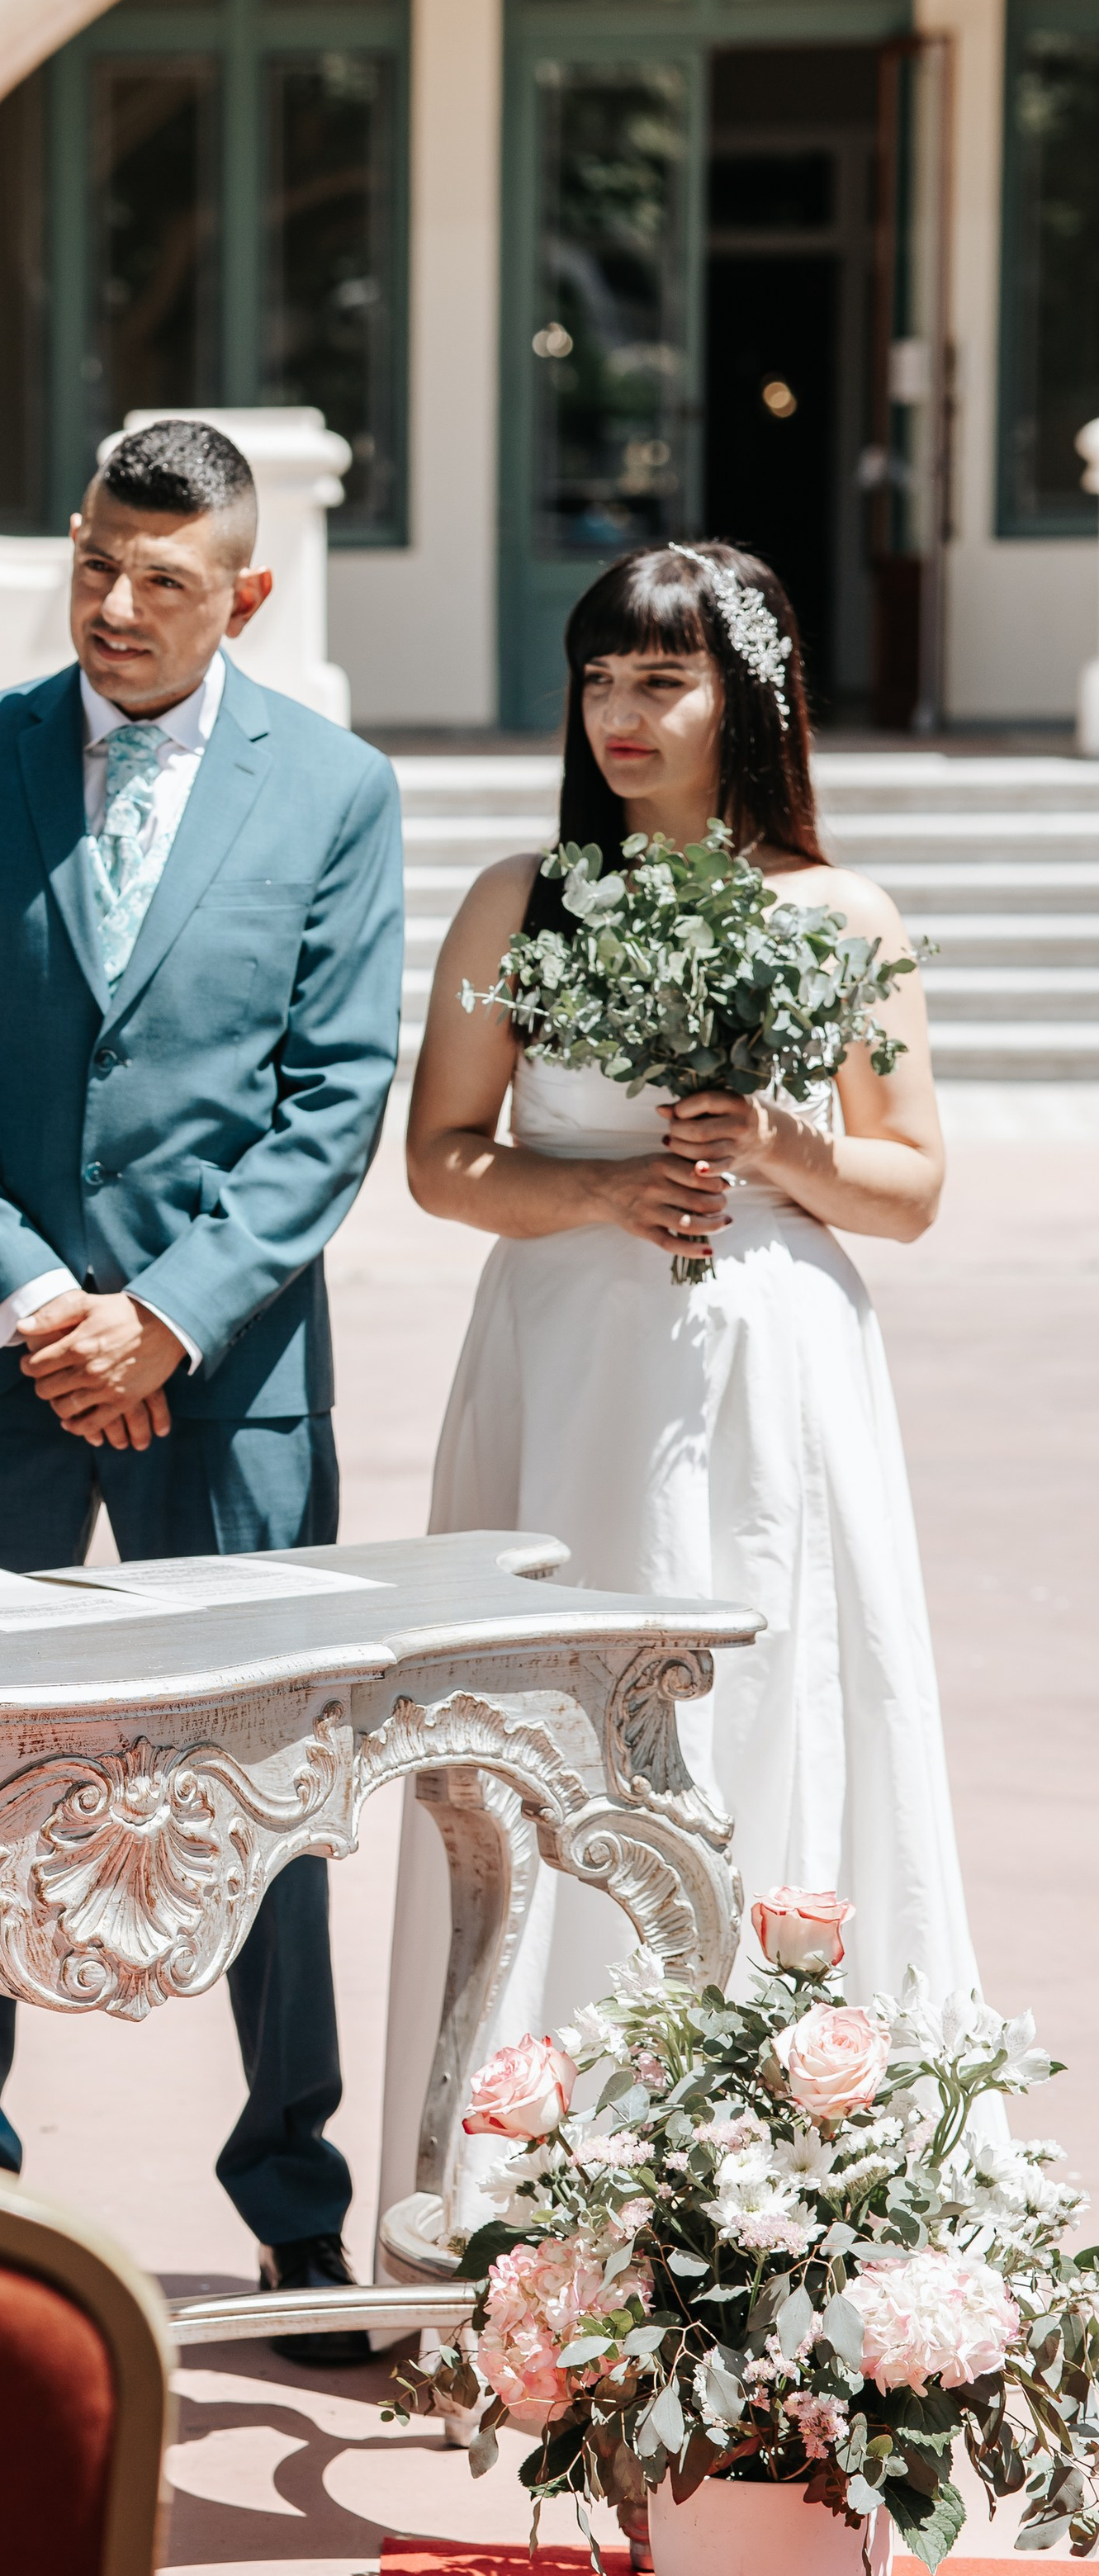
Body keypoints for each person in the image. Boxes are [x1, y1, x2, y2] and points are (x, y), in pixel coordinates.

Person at [0, 419, 405, 2360]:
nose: (114, 607)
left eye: (164, 580)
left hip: (223, 1379)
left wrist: (159, 1319)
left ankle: (296, 2215)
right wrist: (27, 1303)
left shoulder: (333, 789)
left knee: (263, 1788)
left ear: (243, 594)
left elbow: (331, 1101)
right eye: (92, 563)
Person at [405, 538, 976, 2207]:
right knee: (560, 1728)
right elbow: (441, 1162)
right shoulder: (517, 900)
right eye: (596, 681)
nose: (619, 717)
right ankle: (522, 2181)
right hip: (563, 1371)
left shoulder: (838, 915)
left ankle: (776, 2175)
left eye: (659, 680)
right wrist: (594, 1187)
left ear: (748, 694)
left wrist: (780, 1144)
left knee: (778, 1705)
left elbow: (914, 1189)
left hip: (777, 1379)